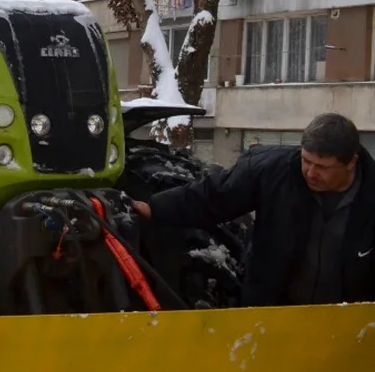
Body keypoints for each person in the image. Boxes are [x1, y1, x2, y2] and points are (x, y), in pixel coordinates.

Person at [132, 113, 375, 306]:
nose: (310, 173)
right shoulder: (272, 171)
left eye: (322, 167)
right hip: (274, 310)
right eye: (306, 161)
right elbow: (214, 197)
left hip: (349, 321)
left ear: (351, 163)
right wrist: (155, 208)